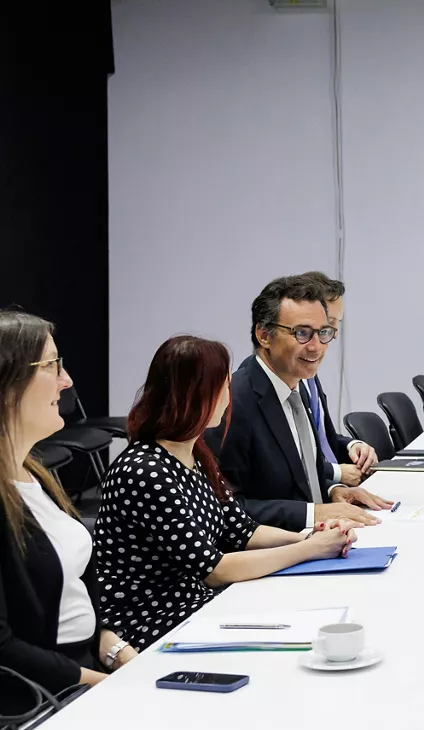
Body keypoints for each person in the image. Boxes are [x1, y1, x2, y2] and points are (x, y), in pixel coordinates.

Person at [97, 336, 359, 651]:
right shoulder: (144, 472)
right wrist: (309, 549)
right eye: (224, 385)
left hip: (199, 607)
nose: (229, 395)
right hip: (158, 623)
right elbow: (213, 570)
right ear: (198, 394)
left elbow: (241, 529)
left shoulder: (195, 454)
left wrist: (311, 536)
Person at [0, 312, 136, 715]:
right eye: (52, 365)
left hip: (82, 672)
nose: (67, 380)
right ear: (8, 383)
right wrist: (102, 683)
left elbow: (75, 594)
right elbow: (3, 647)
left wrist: (118, 653)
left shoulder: (35, 473)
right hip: (37, 701)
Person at [212, 275, 392, 531]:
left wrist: (333, 491)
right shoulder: (233, 402)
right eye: (302, 333)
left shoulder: (298, 385)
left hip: (324, 536)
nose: (316, 347)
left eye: (324, 333)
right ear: (264, 335)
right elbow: (224, 508)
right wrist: (314, 512)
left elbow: (300, 477)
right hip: (280, 547)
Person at [279, 271, 377, 486]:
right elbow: (286, 458)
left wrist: (352, 446)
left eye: (336, 323)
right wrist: (336, 474)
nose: (334, 333)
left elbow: (319, 438)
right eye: (329, 323)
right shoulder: (282, 379)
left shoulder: (309, 375)